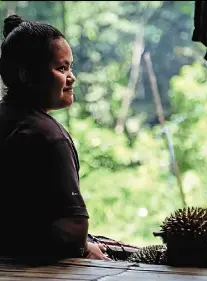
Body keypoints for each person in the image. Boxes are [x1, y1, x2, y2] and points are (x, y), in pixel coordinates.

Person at [0, 14, 111, 262]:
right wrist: (83, 247)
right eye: (61, 68)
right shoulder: (49, 136)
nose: (72, 78)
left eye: (70, 67)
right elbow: (73, 229)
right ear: (27, 75)